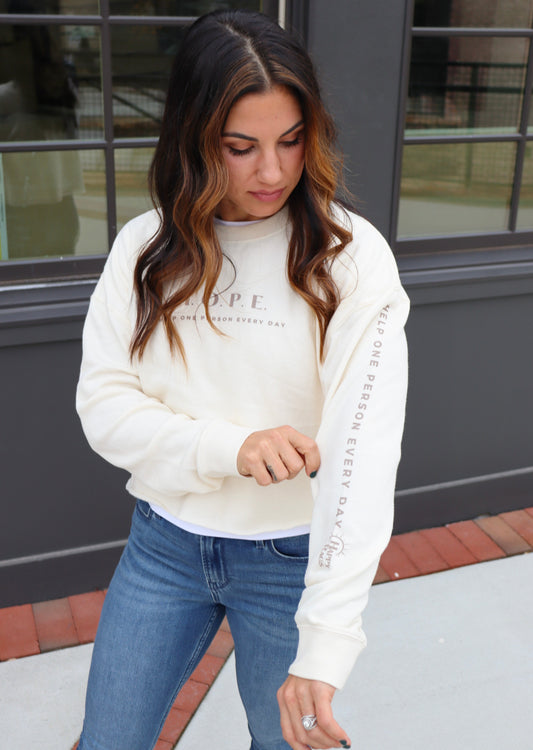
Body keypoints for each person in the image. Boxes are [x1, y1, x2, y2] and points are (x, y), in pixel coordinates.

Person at [75, 9, 409, 750]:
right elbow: (104, 406)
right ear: (193, 137)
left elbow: (362, 455)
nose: (273, 172)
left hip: (290, 558)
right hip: (163, 545)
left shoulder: (350, 258)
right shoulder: (144, 249)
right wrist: (233, 447)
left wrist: (327, 638)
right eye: (240, 147)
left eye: (291, 140)